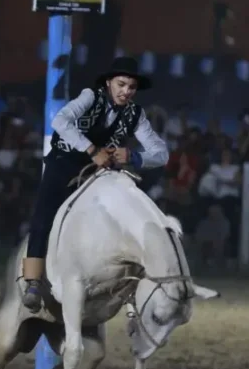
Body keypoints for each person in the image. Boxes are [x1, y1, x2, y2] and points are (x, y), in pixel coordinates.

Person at [21, 56, 170, 312]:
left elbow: (162, 153)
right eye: (122, 84)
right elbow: (60, 121)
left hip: (102, 172)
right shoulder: (90, 96)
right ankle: (33, 280)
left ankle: (133, 284)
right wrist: (91, 149)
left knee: (127, 212)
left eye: (132, 87)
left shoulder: (136, 114)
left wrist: (134, 157)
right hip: (65, 164)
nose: (126, 91)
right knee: (44, 215)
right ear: (109, 82)